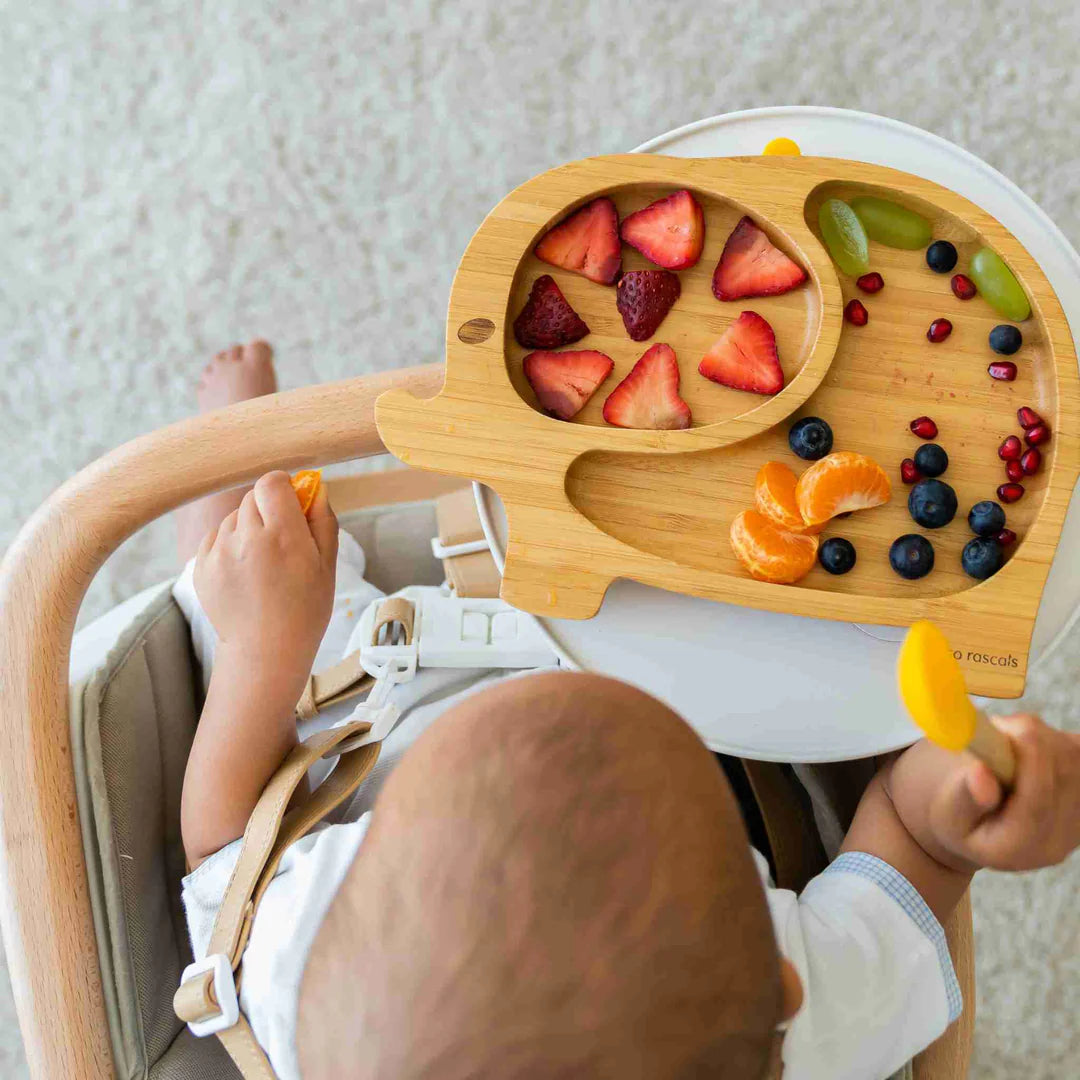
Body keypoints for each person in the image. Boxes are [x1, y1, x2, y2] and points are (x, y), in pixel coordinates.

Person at [175, 340, 1080, 1080]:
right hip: (724, 691)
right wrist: (976, 800)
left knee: (248, 580)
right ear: (783, 993)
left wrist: (261, 654)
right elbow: (916, 839)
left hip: (397, 692)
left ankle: (236, 455)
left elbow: (225, 860)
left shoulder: (305, 972)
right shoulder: (807, 1028)